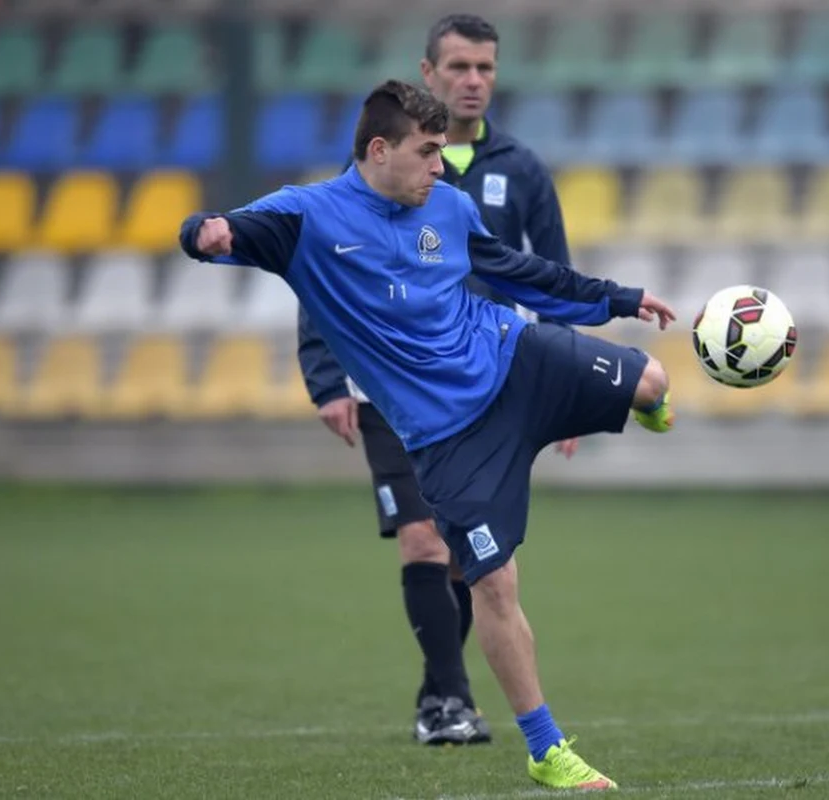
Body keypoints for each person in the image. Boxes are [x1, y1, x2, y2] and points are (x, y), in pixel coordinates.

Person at [181, 80, 675, 790]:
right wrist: (204, 234)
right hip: (449, 439)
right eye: (427, 152)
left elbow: (521, 273)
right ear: (379, 150)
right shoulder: (304, 217)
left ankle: (643, 405)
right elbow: (216, 229)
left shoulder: (450, 205)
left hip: (516, 358)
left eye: (443, 151)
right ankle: (546, 749)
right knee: (494, 583)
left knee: (652, 381)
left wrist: (621, 298)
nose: (440, 168)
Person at [297, 13, 576, 747]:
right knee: (422, 540)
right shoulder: (379, 164)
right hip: (390, 385)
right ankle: (450, 704)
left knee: (468, 555)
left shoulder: (520, 169)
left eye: (485, 67)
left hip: (486, 387)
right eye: (457, 67)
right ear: (428, 74)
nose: (473, 81)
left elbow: (552, 278)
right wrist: (325, 377)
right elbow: (318, 265)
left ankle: (437, 692)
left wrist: (570, 386)